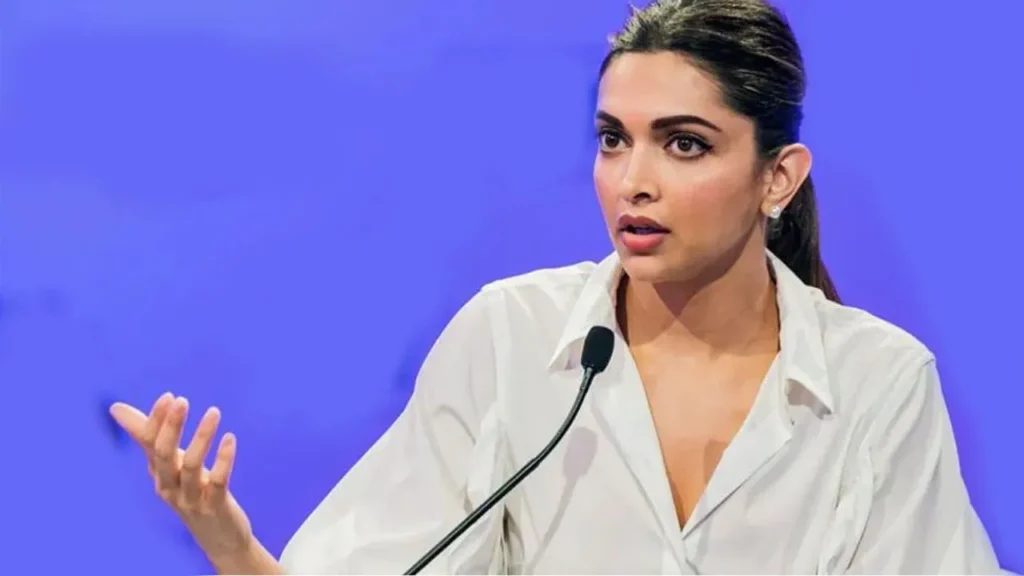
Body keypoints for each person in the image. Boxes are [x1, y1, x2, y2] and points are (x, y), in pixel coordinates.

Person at [109, 0, 1002, 573]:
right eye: (614, 139)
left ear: (779, 177)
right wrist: (232, 544)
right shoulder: (510, 338)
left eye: (683, 144)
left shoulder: (879, 383)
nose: (632, 181)